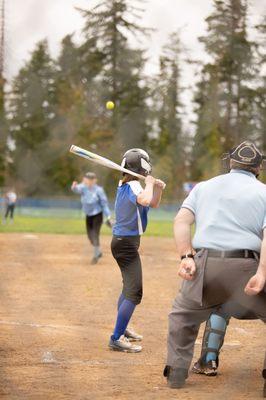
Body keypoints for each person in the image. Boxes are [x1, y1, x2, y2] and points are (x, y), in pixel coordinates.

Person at [164, 140, 266, 389]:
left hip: (205, 266)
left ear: (230, 163)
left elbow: (181, 221)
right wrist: (262, 272)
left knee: (182, 316)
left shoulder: (204, 187)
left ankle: (177, 372)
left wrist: (186, 256)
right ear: (257, 167)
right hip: (246, 266)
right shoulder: (264, 191)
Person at [109, 148, 166, 353]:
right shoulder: (133, 185)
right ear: (142, 166)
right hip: (125, 244)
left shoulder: (130, 185)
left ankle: (122, 330)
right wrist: (149, 183)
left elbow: (153, 203)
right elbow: (143, 199)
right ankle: (116, 337)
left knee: (128, 288)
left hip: (125, 242)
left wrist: (157, 188)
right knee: (135, 292)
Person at [71, 172, 112, 265]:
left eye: (90, 179)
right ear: (84, 180)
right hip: (88, 215)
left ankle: (95, 256)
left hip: (97, 215)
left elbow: (104, 204)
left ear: (94, 180)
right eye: (87, 179)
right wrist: (74, 186)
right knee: (90, 237)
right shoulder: (83, 187)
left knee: (95, 234)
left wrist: (108, 216)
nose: (88, 181)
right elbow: (76, 189)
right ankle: (98, 251)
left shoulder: (99, 190)